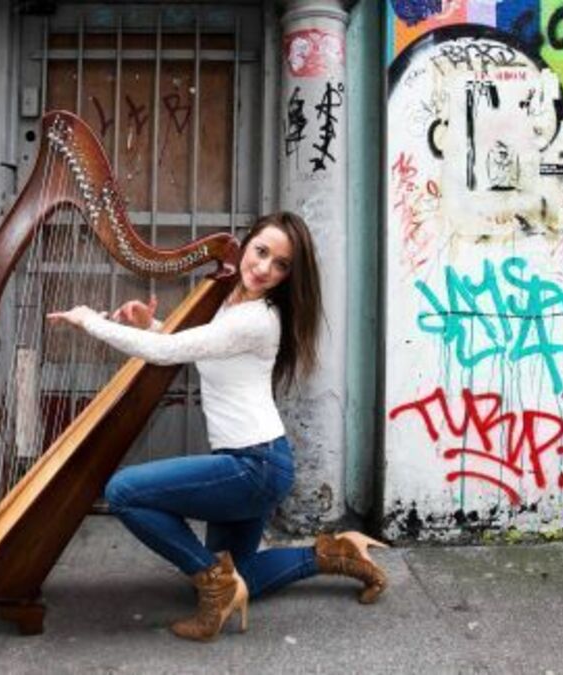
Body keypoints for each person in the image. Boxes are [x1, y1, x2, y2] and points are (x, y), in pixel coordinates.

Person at [47, 211, 388, 642]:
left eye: (281, 265)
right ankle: (338, 553)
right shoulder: (233, 303)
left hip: (254, 466)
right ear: (246, 244)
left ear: (290, 275)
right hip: (257, 461)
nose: (264, 268)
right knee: (240, 572)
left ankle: (215, 583)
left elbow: (169, 352)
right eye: (261, 252)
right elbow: (200, 348)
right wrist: (150, 326)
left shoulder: (258, 318)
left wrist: (89, 321)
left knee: (124, 491)